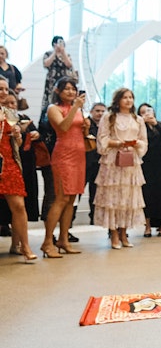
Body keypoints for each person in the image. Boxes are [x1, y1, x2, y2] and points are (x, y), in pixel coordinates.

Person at [94, 88, 147, 249]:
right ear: (118, 100)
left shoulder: (138, 119)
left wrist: (136, 144)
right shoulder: (108, 117)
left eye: (131, 97)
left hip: (131, 160)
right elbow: (102, 138)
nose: (128, 100)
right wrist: (117, 143)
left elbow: (144, 141)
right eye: (125, 97)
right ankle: (114, 234)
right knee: (113, 196)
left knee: (127, 197)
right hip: (112, 160)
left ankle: (124, 233)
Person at [41, 76, 86, 258]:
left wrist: (86, 124)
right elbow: (63, 127)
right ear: (58, 91)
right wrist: (75, 107)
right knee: (60, 198)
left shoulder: (78, 109)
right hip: (63, 156)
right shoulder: (54, 108)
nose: (70, 91)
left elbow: (78, 129)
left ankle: (63, 239)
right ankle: (47, 242)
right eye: (66, 88)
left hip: (79, 155)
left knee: (71, 200)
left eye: (73, 88)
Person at [0, 78, 37, 262]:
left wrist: (17, 135)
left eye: (6, 89)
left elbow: (18, 143)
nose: (3, 92)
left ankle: (25, 246)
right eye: (0, 89)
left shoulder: (9, 113)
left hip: (8, 162)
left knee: (19, 206)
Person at [139, 103, 161, 237]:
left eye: (148, 111)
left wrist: (155, 124)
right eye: (142, 112)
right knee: (147, 195)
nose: (146, 114)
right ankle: (146, 225)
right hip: (146, 164)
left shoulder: (160, 124)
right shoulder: (139, 126)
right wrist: (142, 123)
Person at [41, 36, 76, 111]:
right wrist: (55, 52)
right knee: (50, 98)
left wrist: (63, 52)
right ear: (54, 44)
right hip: (51, 80)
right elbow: (46, 64)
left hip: (64, 80)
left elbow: (69, 64)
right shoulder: (48, 54)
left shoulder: (67, 55)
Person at [85, 102, 106, 225]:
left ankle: (94, 219)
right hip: (84, 162)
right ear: (92, 111)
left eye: (103, 111)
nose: (100, 113)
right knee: (76, 194)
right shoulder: (85, 123)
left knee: (96, 193)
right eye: (97, 111)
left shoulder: (106, 126)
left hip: (100, 164)